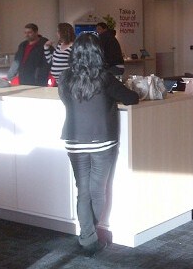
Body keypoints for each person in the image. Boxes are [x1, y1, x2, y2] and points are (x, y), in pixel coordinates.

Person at [58, 33, 139, 257]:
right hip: (102, 141)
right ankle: (89, 234)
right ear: (98, 52)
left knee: (83, 191)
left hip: (74, 140)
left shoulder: (64, 78)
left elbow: (65, 101)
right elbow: (132, 98)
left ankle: (87, 238)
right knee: (98, 189)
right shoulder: (105, 77)